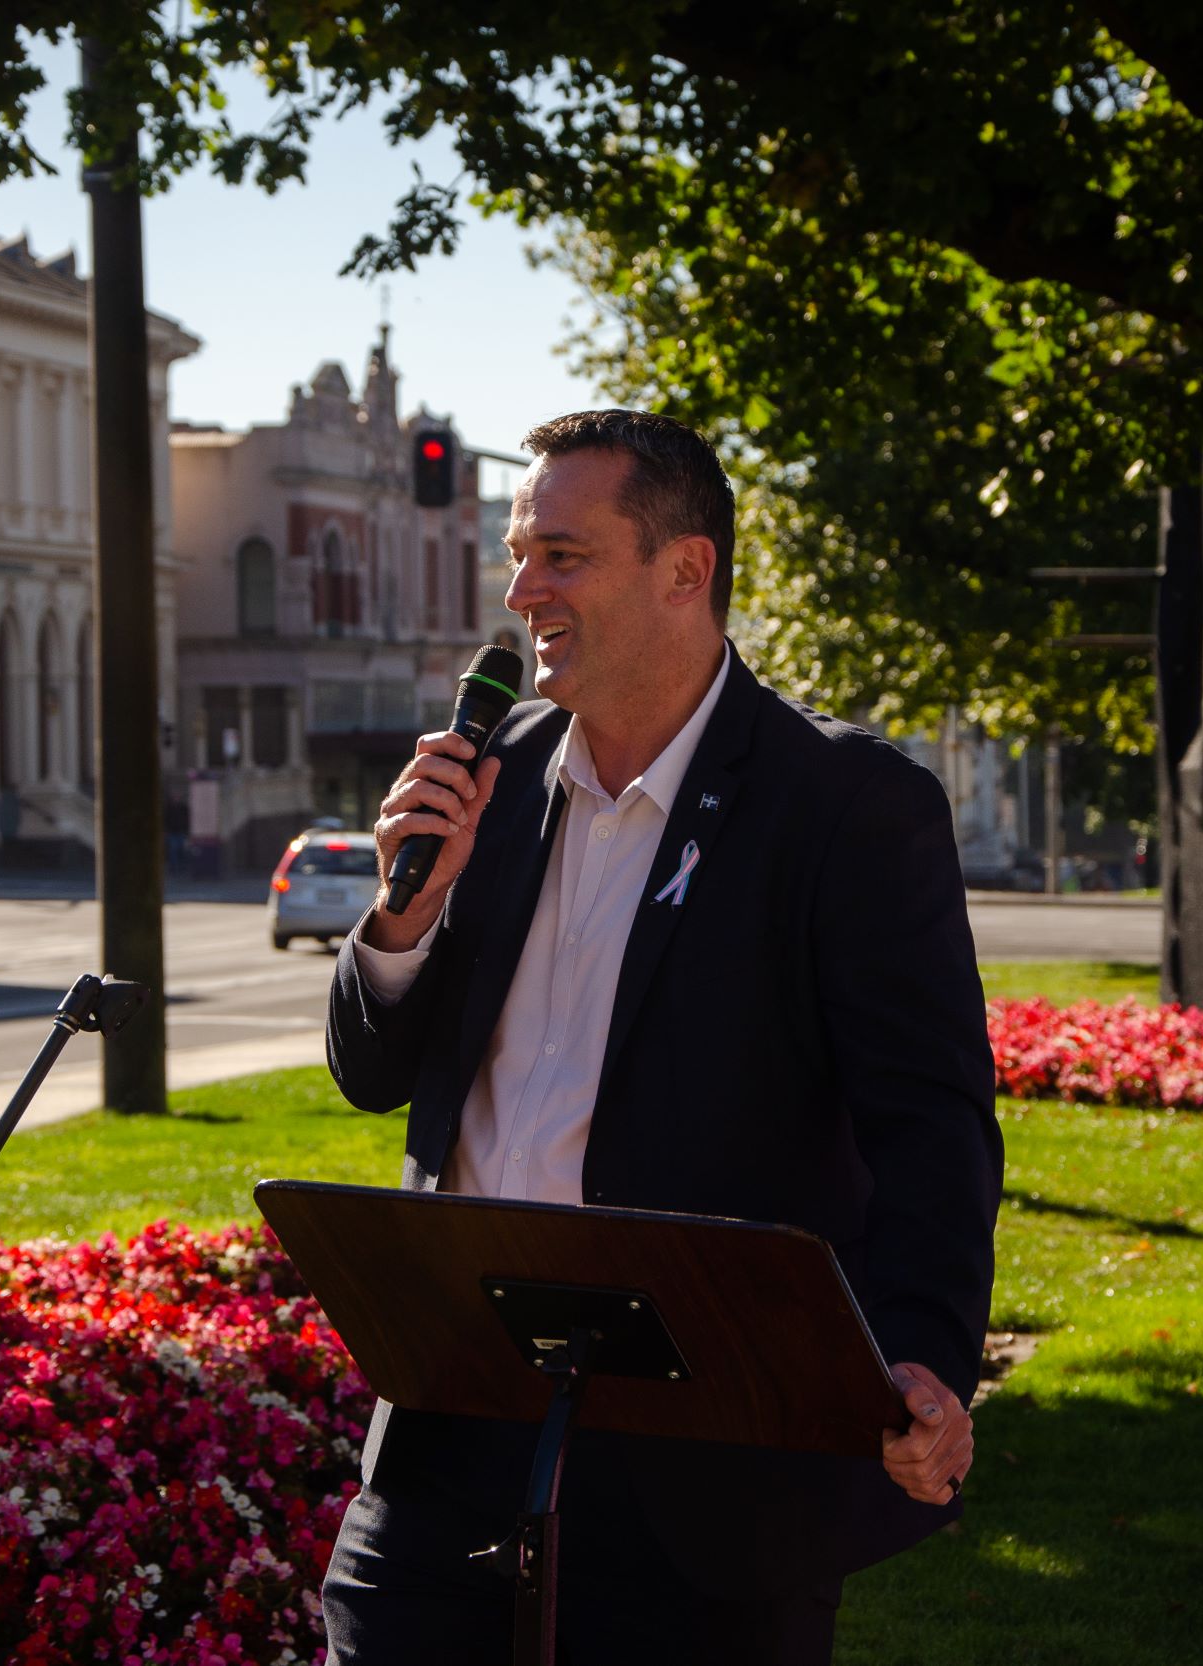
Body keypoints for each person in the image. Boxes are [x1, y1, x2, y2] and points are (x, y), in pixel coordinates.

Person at [320, 409, 1001, 1664]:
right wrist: (398, 919)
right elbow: (371, 1074)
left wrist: (917, 1358)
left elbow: (931, 1125)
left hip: (709, 1468)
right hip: (444, 1437)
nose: (520, 588)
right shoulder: (488, 775)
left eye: (561, 556)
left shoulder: (843, 806)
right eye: (520, 553)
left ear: (684, 570)